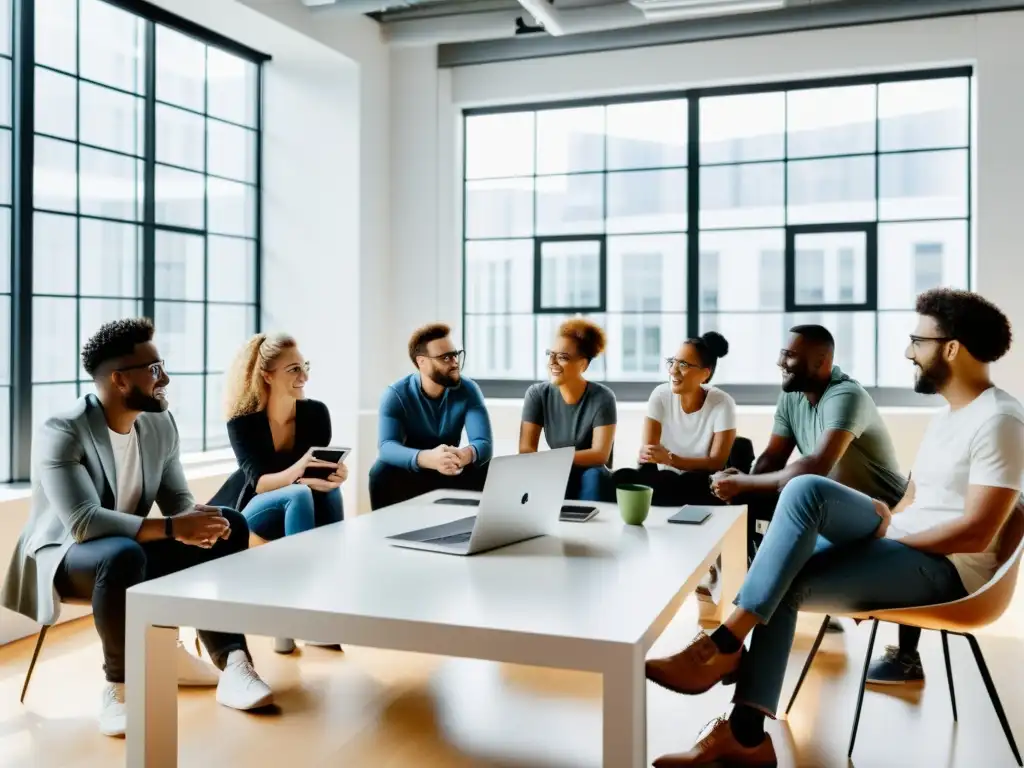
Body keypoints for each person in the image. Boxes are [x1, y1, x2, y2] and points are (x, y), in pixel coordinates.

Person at [644, 289, 1023, 767]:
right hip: (906, 544)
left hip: (948, 572)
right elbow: (917, 496)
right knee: (785, 572)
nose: (909, 352)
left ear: (951, 348)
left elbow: (977, 533)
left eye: (917, 341)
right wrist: (892, 516)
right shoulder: (950, 417)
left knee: (804, 491)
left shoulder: (1000, 420)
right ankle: (746, 736)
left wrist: (892, 533)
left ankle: (724, 644)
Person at [0, 318, 273, 738]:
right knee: (120, 554)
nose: (164, 378)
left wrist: (196, 523)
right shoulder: (63, 430)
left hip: (132, 547)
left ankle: (234, 662)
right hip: (67, 555)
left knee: (229, 522)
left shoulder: (160, 425)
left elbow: (177, 500)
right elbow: (84, 522)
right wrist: (172, 527)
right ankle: (119, 688)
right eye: (154, 369)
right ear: (120, 380)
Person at [709, 324, 912, 648]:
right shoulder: (792, 397)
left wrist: (744, 482)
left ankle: (744, 626)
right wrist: (741, 482)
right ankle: (739, 618)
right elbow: (773, 458)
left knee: (801, 489)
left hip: (882, 510)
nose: (780, 362)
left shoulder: (846, 395)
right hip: (829, 508)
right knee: (755, 500)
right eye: (782, 353)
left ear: (822, 362)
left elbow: (815, 465)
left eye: (790, 356)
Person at [222, 332, 347, 655]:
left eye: (304, 366)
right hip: (254, 513)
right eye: (293, 369)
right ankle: (293, 617)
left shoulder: (316, 413)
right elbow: (259, 481)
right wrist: (300, 469)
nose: (304, 376)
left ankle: (325, 608)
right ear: (267, 375)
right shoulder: (242, 422)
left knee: (329, 495)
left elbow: (314, 476)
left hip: (299, 506)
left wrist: (334, 476)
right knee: (299, 495)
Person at [369, 323, 493, 510]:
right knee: (380, 471)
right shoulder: (395, 394)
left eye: (455, 354)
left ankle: (476, 533)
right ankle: (383, 533)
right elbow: (386, 447)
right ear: (421, 362)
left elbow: (484, 443)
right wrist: (428, 458)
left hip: (452, 466)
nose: (454, 362)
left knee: (485, 467)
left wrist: (464, 455)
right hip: (412, 469)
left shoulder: (468, 389)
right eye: (445, 358)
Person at [613, 332, 735, 507]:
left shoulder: (723, 403)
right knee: (622, 478)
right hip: (663, 478)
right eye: (673, 362)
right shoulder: (660, 395)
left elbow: (716, 462)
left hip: (701, 479)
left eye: (683, 364)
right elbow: (651, 453)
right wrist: (647, 453)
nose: (672, 371)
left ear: (704, 374)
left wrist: (671, 459)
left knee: (680, 482)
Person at [518, 319, 617, 501]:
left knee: (594, 477)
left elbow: (599, 454)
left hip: (591, 472)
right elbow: (526, 450)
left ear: (583, 365)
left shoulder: (603, 397)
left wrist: (549, 458)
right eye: (550, 354)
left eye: (562, 357)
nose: (552, 362)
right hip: (554, 469)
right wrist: (552, 462)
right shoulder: (537, 394)